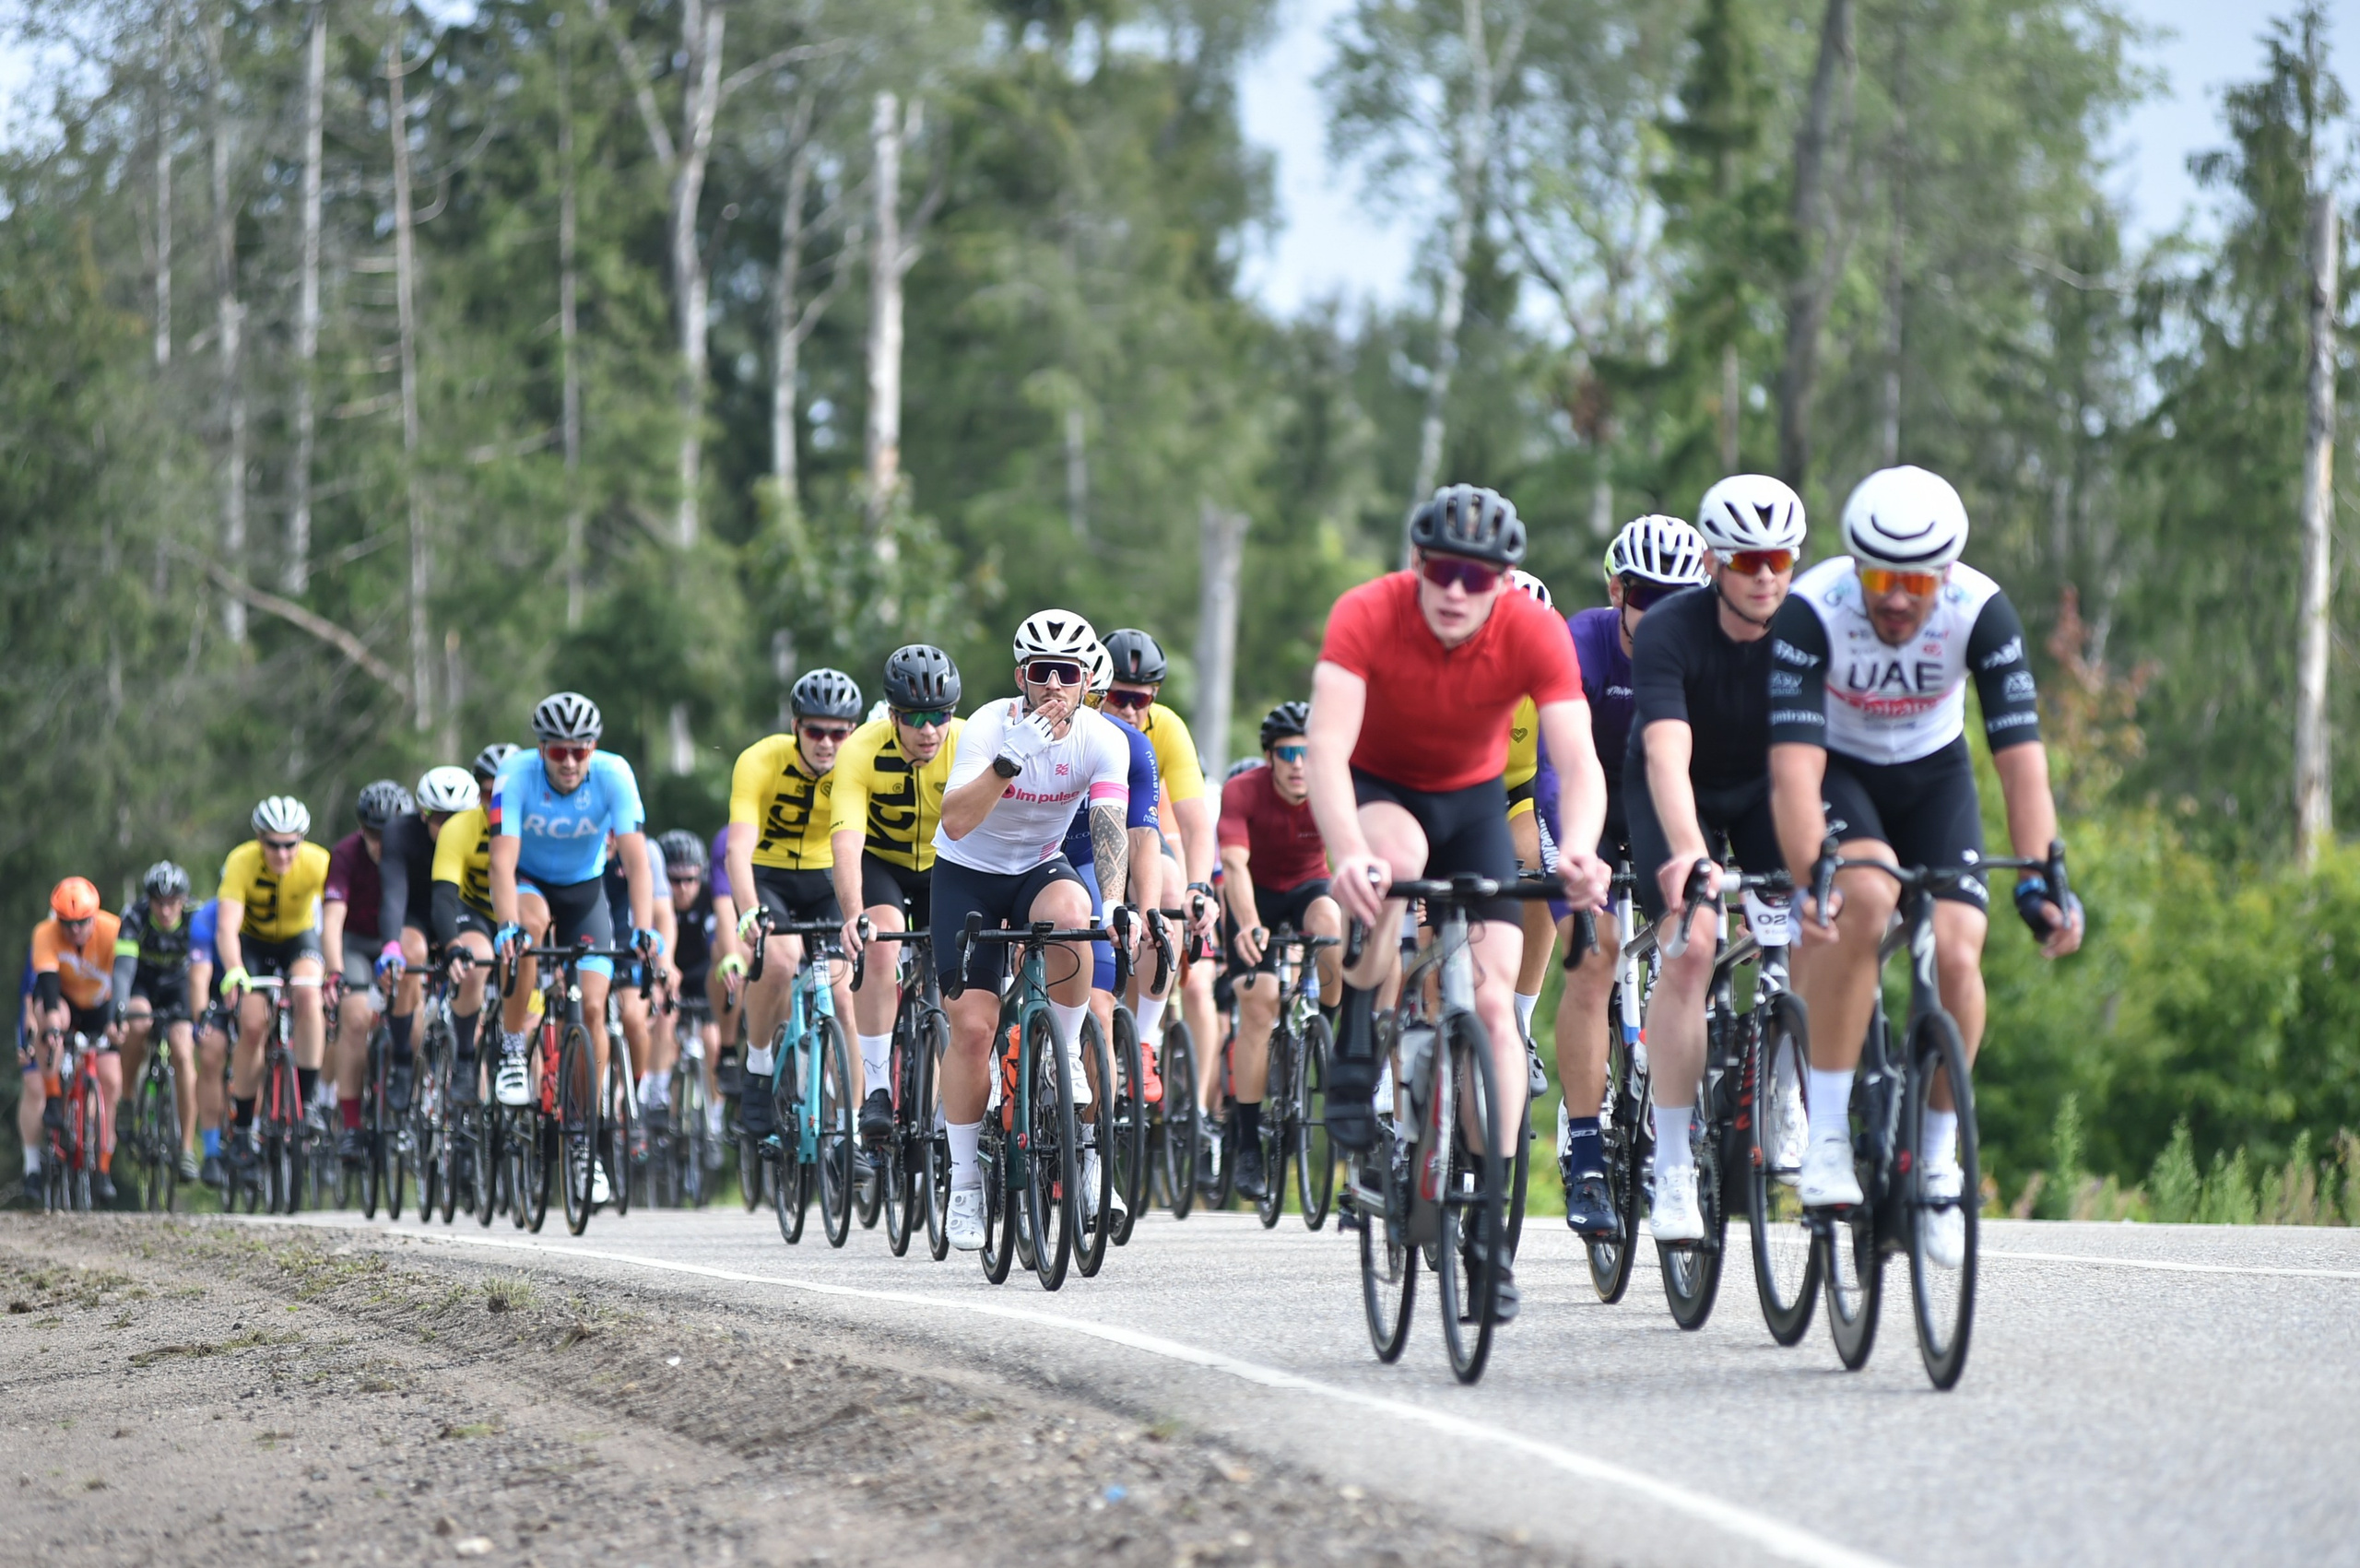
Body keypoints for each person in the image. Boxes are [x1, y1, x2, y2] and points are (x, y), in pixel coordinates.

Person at [1308, 484, 1613, 1321]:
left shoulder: (1533, 631)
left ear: (1504, 581)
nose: (1457, 590)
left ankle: (1487, 1219)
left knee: (1490, 998)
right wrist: (1347, 855)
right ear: (1415, 565)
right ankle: (1362, 1025)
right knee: (1394, 861)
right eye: (1442, 570)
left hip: (1475, 803)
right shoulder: (1367, 614)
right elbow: (1327, 751)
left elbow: (1578, 764)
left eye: (1478, 578)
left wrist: (1579, 846)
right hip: (1382, 789)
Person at [1768, 465, 2083, 1267]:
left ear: (1945, 575)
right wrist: (1814, 878)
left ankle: (1939, 1160)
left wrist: (2044, 878)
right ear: (1856, 567)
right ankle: (1831, 1134)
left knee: (1956, 949)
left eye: (1915, 581)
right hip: (1841, 772)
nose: (1896, 598)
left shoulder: (1982, 610)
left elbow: (2020, 764)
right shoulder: (1813, 609)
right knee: (1865, 900)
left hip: (1934, 777)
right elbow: (1794, 773)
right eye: (1880, 576)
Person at [1622, 474, 1806, 1244]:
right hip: (1678, 790)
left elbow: (1817, 750)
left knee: (1812, 926)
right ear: (1711, 560)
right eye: (1745, 560)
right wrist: (1693, 859)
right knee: (1694, 945)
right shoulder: (1670, 629)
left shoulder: (1809, 629)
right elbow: (1668, 752)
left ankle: (1792, 1094)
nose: (1763, 576)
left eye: (1779, 559)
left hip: (1767, 784)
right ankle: (1669, 1164)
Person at [932, 609, 1134, 1251]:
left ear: (1085, 679)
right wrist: (1004, 765)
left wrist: (1115, 903)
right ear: (1022, 676)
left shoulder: (1104, 740)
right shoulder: (990, 727)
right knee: (972, 1028)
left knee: (1075, 919)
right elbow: (956, 823)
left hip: (1036, 868)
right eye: (1041, 673)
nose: (1053, 686)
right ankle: (964, 1182)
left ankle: (1065, 1052)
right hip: (967, 872)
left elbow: (1108, 827)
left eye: (1066, 673)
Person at [1548, 515, 1712, 1235]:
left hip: (1661, 804)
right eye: (1647, 595)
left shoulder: (1706, 644)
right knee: (1594, 956)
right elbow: (1558, 766)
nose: (1663, 611)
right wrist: (1578, 851)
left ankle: (1678, 1112)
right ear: (1617, 591)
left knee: (1694, 941)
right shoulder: (1580, 642)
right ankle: (1586, 1153)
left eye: (1681, 596)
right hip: (1588, 806)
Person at [490, 693, 660, 1209]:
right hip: (531, 883)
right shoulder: (513, 775)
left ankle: (585, 1140)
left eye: (579, 751)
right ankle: (514, 1048)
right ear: (541, 749)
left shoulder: (615, 774)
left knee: (593, 1008)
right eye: (558, 751)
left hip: (588, 892)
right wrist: (505, 926)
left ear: (594, 749)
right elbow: (501, 861)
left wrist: (646, 930)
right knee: (530, 929)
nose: (568, 762)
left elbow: (636, 861)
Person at [830, 645, 965, 1147]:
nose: (930, 730)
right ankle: (878, 1089)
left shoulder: (969, 742)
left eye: (941, 716)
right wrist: (851, 916)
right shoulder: (861, 749)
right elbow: (845, 841)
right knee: (880, 942)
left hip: (946, 866)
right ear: (892, 716)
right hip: (880, 863)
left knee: (967, 968)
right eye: (916, 718)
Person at [726, 668, 862, 1145]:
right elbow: (737, 849)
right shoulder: (759, 760)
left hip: (827, 878)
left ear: (853, 731)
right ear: (795, 727)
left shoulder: (857, 763)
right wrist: (748, 912)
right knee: (780, 960)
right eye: (815, 731)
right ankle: (759, 1067)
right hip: (770, 877)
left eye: (839, 733)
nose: (826, 743)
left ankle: (852, 1133)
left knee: (844, 995)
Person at [1218, 701, 1342, 1202]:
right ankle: (1248, 1141)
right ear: (1270, 757)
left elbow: (1355, 855)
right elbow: (1233, 861)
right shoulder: (1241, 792)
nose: (1298, 764)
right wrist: (1248, 923)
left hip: (1308, 888)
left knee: (1332, 923)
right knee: (1260, 1003)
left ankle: (1332, 1031)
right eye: (1288, 753)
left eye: (1308, 754)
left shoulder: (1333, 791)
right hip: (1254, 899)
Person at [1100, 630, 1222, 1111]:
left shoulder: (1167, 728)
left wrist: (1198, 887)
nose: (1131, 710)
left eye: (1142, 699)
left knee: (1170, 885)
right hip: (1078, 844)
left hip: (1139, 841)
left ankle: (1144, 1041)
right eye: (1119, 697)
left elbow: (1195, 820)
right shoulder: (1080, 722)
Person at [217, 796, 334, 1182]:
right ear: (258, 839)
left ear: (302, 840)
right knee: (252, 1025)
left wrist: (334, 970)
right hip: (253, 944)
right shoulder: (241, 861)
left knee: (307, 994)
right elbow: (228, 927)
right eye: (273, 844)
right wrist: (234, 971)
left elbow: (334, 919)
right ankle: (245, 1125)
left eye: (290, 844)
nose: (282, 854)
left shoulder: (319, 862)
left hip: (298, 940)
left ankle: (310, 1099)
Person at [323, 779, 415, 1165]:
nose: (380, 843)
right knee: (356, 1018)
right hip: (358, 942)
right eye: (372, 833)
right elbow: (331, 921)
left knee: (416, 1019)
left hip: (403, 941)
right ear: (361, 830)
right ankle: (351, 1124)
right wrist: (334, 972)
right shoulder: (345, 854)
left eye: (388, 833)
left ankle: (411, 1103)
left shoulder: (416, 851)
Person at [24, 878, 124, 1201]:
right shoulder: (45, 933)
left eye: (82, 923)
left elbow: (124, 978)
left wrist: (118, 1020)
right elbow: (49, 988)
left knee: (110, 1080)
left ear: (94, 916)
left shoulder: (113, 929)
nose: (75, 930)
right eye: (68, 924)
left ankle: (104, 1168)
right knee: (49, 1018)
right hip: (65, 1002)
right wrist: (52, 1027)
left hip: (100, 1007)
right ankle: (54, 1095)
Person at [429, 758, 515, 1108]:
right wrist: (452, 945)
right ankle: (465, 1057)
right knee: (475, 962)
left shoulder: (535, 824)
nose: (495, 802)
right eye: (486, 793)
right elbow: (444, 895)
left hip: (523, 911)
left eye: (504, 794)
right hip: (476, 912)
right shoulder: (460, 827)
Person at [111, 860, 203, 1184]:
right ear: (149, 901)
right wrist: (119, 1008)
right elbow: (123, 970)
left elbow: (207, 968)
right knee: (137, 1025)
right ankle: (127, 1098)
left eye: (173, 903)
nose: (165, 911)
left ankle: (187, 1148)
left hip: (179, 987)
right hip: (143, 984)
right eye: (159, 903)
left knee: (182, 1049)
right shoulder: (134, 918)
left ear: (184, 900)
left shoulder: (195, 919)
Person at [655, 828, 723, 1166]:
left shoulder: (710, 897)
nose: (682, 888)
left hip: (701, 976)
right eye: (674, 880)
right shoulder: (658, 901)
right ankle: (664, 1100)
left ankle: (716, 1117)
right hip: (667, 976)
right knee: (663, 1027)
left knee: (712, 1038)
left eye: (690, 879)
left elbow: (717, 943)